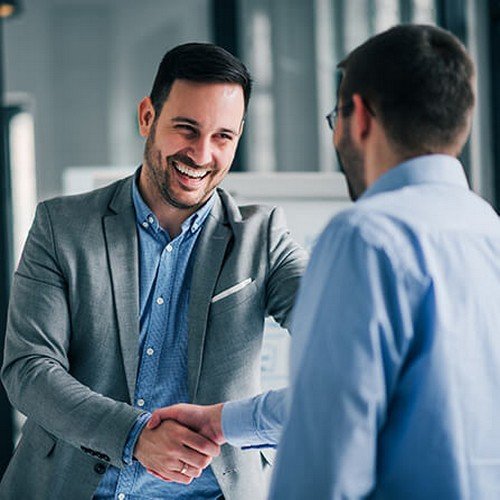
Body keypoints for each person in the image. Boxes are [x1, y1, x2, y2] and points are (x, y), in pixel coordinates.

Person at [148, 24, 500, 499]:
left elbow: (327, 445)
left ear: (358, 118)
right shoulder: (487, 230)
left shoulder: (366, 237)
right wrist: (221, 421)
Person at [0, 42, 307, 500]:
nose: (202, 154)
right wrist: (135, 436)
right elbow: (28, 369)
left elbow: (338, 334)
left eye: (223, 137)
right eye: (186, 128)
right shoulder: (61, 227)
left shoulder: (263, 238)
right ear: (147, 117)